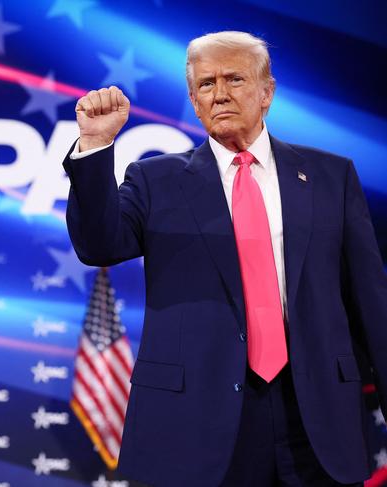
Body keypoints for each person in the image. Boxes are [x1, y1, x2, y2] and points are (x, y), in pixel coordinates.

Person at [63, 31, 387, 487]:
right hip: (197, 418)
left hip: (316, 417)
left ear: (267, 92)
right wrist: (96, 147)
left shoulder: (331, 176)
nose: (219, 94)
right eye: (206, 84)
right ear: (195, 102)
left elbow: (372, 304)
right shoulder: (155, 180)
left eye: (234, 79)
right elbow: (98, 245)